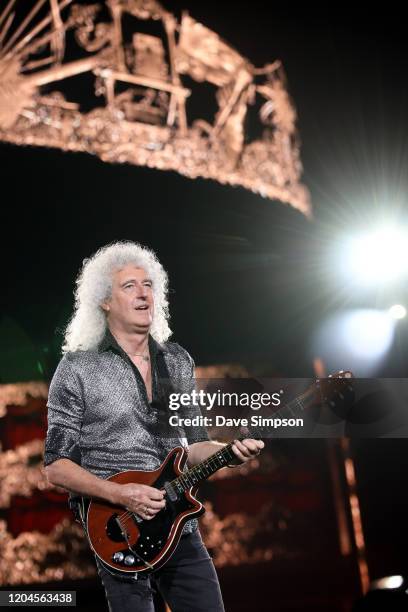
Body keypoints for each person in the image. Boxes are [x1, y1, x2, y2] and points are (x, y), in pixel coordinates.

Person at [44, 241, 264, 612]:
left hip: (179, 524)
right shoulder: (78, 368)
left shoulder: (177, 361)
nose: (143, 293)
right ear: (105, 301)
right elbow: (55, 467)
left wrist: (230, 454)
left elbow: (194, 446)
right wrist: (121, 496)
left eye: (148, 285)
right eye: (129, 286)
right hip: (118, 530)